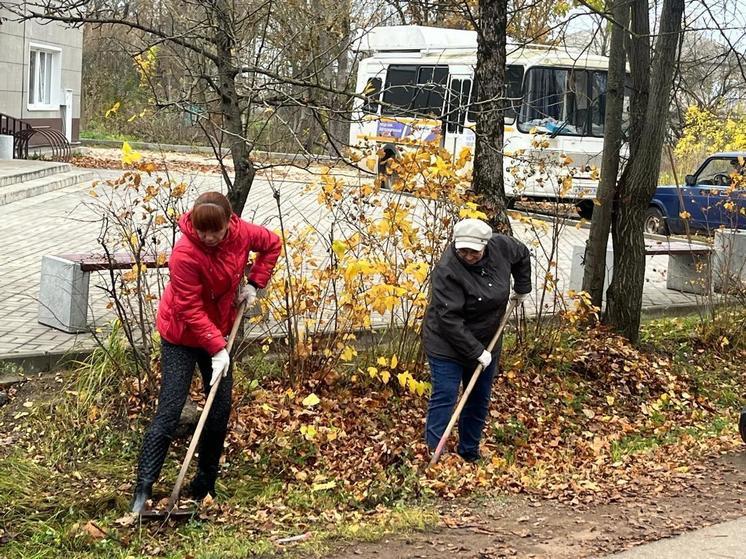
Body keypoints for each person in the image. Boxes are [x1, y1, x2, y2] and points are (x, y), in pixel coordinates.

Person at [131, 191, 282, 513]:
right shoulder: (184, 253)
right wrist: (216, 348)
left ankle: (204, 484)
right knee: (170, 409)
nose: (209, 238)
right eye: (203, 231)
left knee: (219, 409)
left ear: (230, 223)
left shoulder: (243, 234)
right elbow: (187, 306)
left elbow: (272, 243)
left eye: (216, 231)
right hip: (181, 336)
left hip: (220, 332)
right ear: (194, 226)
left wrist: (254, 283)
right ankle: (143, 488)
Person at [423, 218, 531, 462]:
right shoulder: (447, 270)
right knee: (446, 394)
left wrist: (522, 287)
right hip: (446, 342)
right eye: (463, 250)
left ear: (485, 245)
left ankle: (469, 451)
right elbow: (449, 319)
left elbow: (523, 254)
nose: (468, 256)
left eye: (473, 251)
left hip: (487, 339)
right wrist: (476, 352)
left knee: (479, 396)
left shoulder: (502, 247)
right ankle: (434, 452)